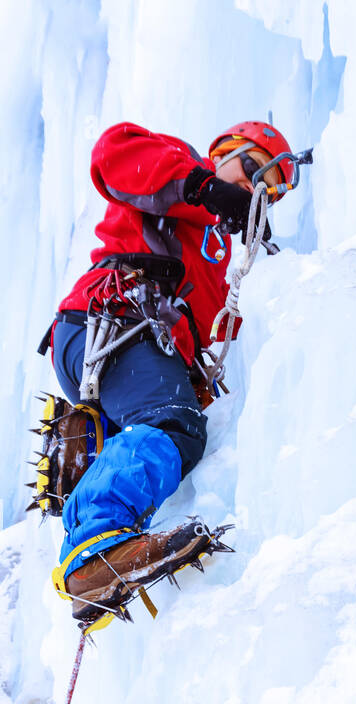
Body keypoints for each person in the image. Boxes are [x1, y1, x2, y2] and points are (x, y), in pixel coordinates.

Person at [40, 119, 302, 626]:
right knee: (174, 423)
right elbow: (112, 153)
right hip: (111, 320)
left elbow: (228, 326)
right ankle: (97, 547)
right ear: (224, 151)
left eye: (269, 192)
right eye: (252, 170)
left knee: (165, 423)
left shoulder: (225, 257)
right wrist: (205, 187)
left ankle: (91, 498)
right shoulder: (180, 172)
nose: (254, 189)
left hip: (131, 345)